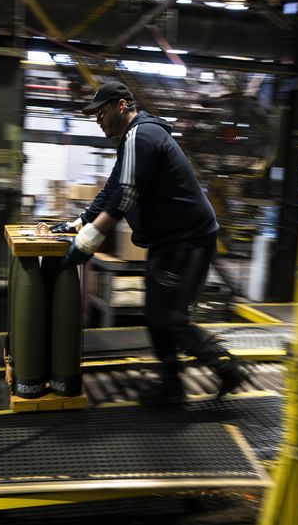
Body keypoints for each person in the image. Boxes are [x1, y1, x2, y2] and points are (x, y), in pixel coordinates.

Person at [54, 81, 247, 405]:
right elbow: (114, 188)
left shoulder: (141, 137)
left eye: (101, 113)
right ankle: (172, 381)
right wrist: (79, 222)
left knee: (169, 317)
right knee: (158, 314)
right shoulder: (133, 139)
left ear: (121, 106)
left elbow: (126, 196)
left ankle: (226, 367)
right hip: (171, 240)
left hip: (186, 241)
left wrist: (88, 241)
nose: (98, 120)